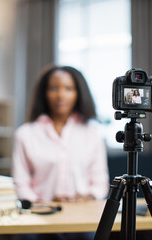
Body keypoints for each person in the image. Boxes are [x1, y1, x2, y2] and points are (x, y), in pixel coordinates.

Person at [12, 65, 109, 204]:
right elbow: (20, 184)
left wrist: (86, 197)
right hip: (41, 215)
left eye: (68, 89)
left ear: (78, 93)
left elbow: (100, 184)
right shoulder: (25, 134)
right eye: (53, 88)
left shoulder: (93, 133)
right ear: (44, 93)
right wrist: (42, 203)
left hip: (84, 214)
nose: (61, 95)